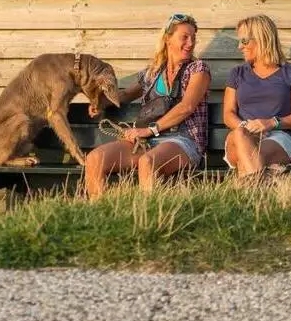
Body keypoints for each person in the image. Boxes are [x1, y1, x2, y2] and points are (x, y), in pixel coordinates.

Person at [84, 14, 211, 199]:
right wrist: (100, 102)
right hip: (146, 141)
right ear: (168, 38)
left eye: (193, 37)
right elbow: (126, 94)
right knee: (95, 159)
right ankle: (102, 215)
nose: (190, 43)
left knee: (148, 162)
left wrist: (150, 130)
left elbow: (187, 106)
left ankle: (148, 220)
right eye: (184, 37)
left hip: (183, 140)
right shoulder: (152, 73)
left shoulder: (198, 69)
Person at [223, 14, 291, 178]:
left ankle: (251, 190)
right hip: (240, 134)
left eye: (244, 41)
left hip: (279, 136)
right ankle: (260, 186)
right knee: (241, 135)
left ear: (262, 39)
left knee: (249, 158)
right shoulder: (237, 73)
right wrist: (246, 127)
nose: (239, 47)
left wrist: (271, 123)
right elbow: (228, 114)